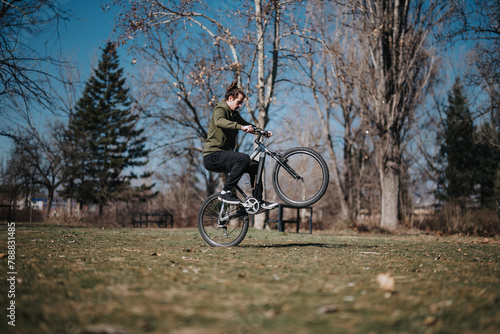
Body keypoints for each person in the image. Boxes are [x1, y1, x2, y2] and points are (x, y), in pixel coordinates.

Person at [203, 82, 278, 210]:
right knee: (243, 158)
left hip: (223, 156)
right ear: (230, 99)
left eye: (242, 103)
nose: (240, 105)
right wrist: (241, 127)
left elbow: (247, 124)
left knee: (256, 166)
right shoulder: (220, 109)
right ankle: (225, 192)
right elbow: (219, 121)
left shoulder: (234, 114)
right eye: (239, 102)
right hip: (212, 156)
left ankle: (258, 201)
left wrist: (262, 131)